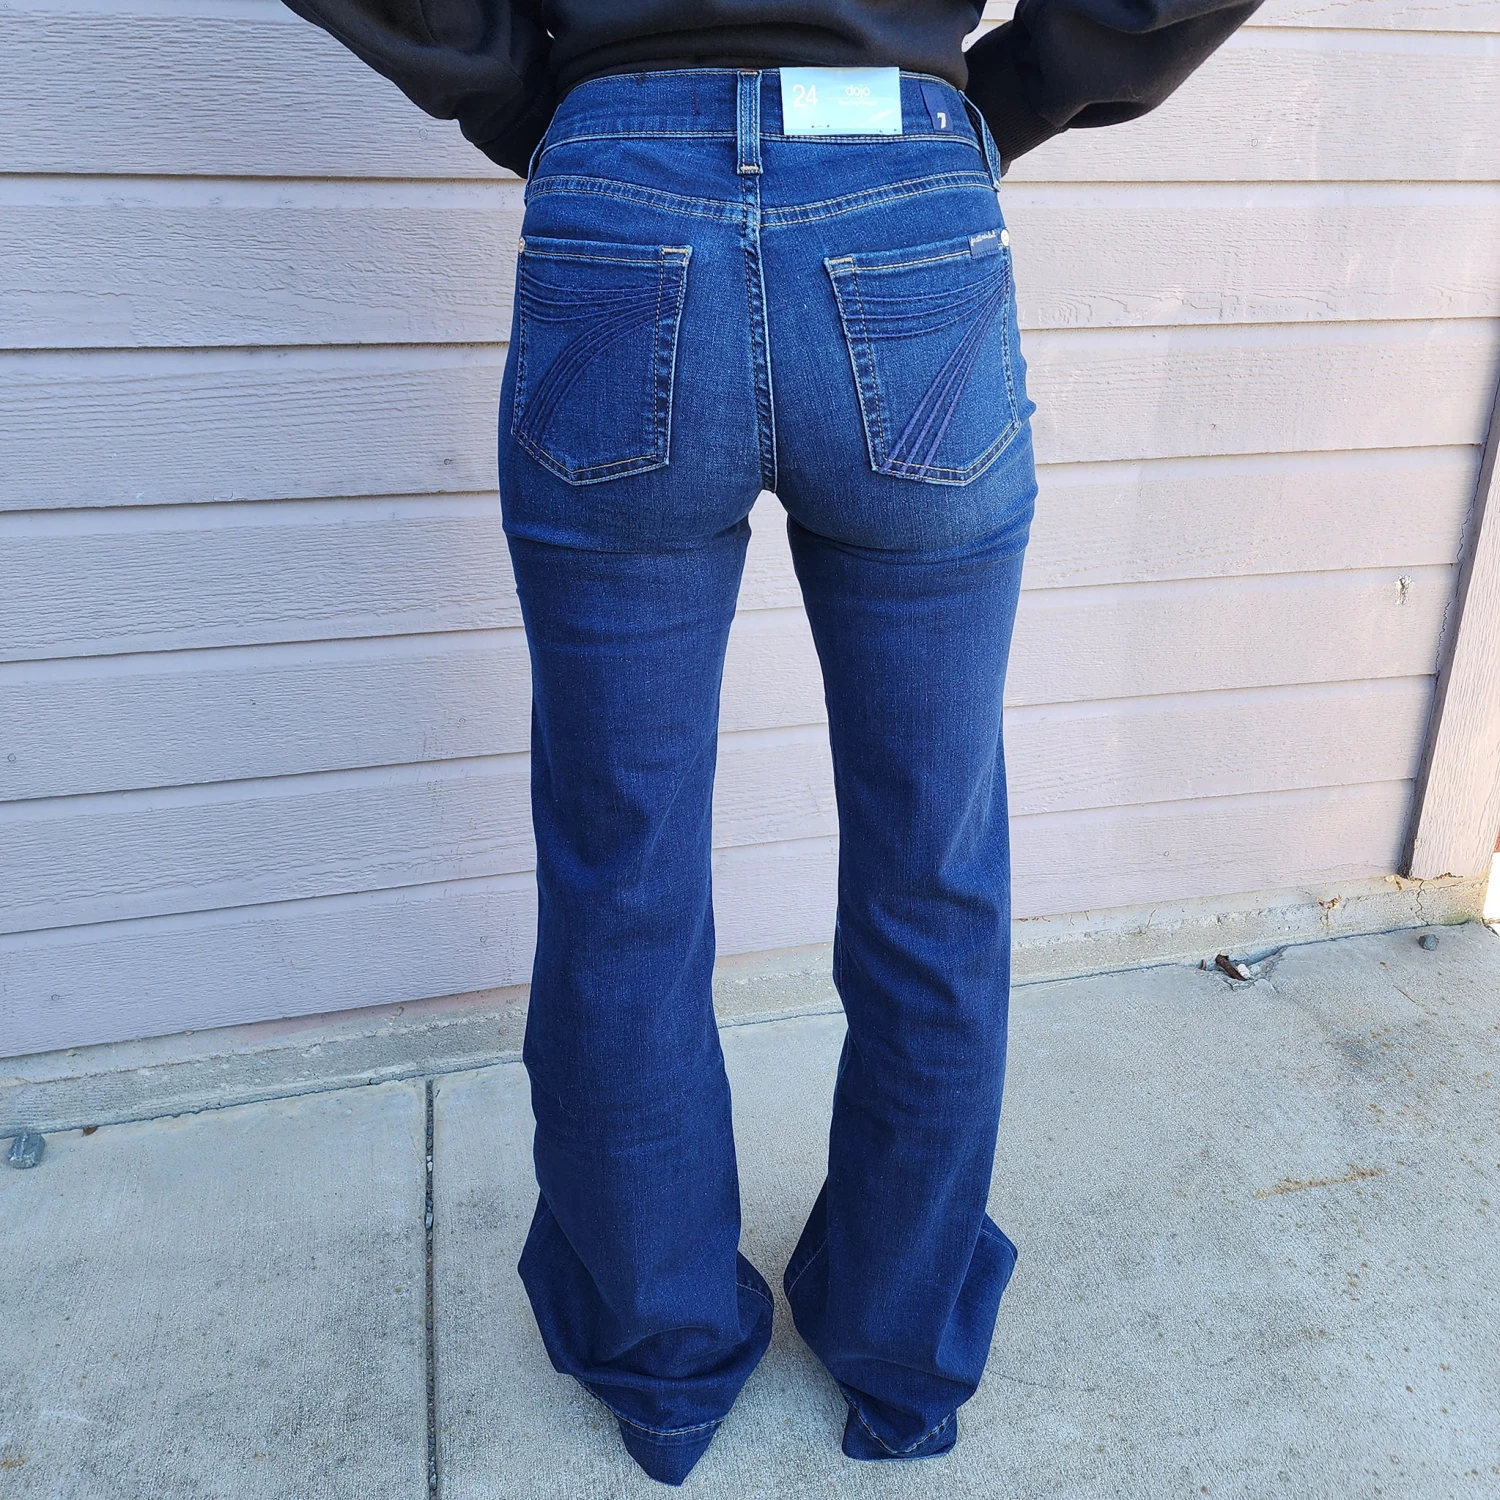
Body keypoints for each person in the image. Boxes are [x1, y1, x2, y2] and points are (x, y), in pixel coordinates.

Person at [282, 1, 1260, 1484]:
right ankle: (901, 1357)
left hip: (620, 193)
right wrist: (1017, 88)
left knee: (621, 871)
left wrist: (520, 90)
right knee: (932, 866)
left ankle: (662, 1370)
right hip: (904, 199)